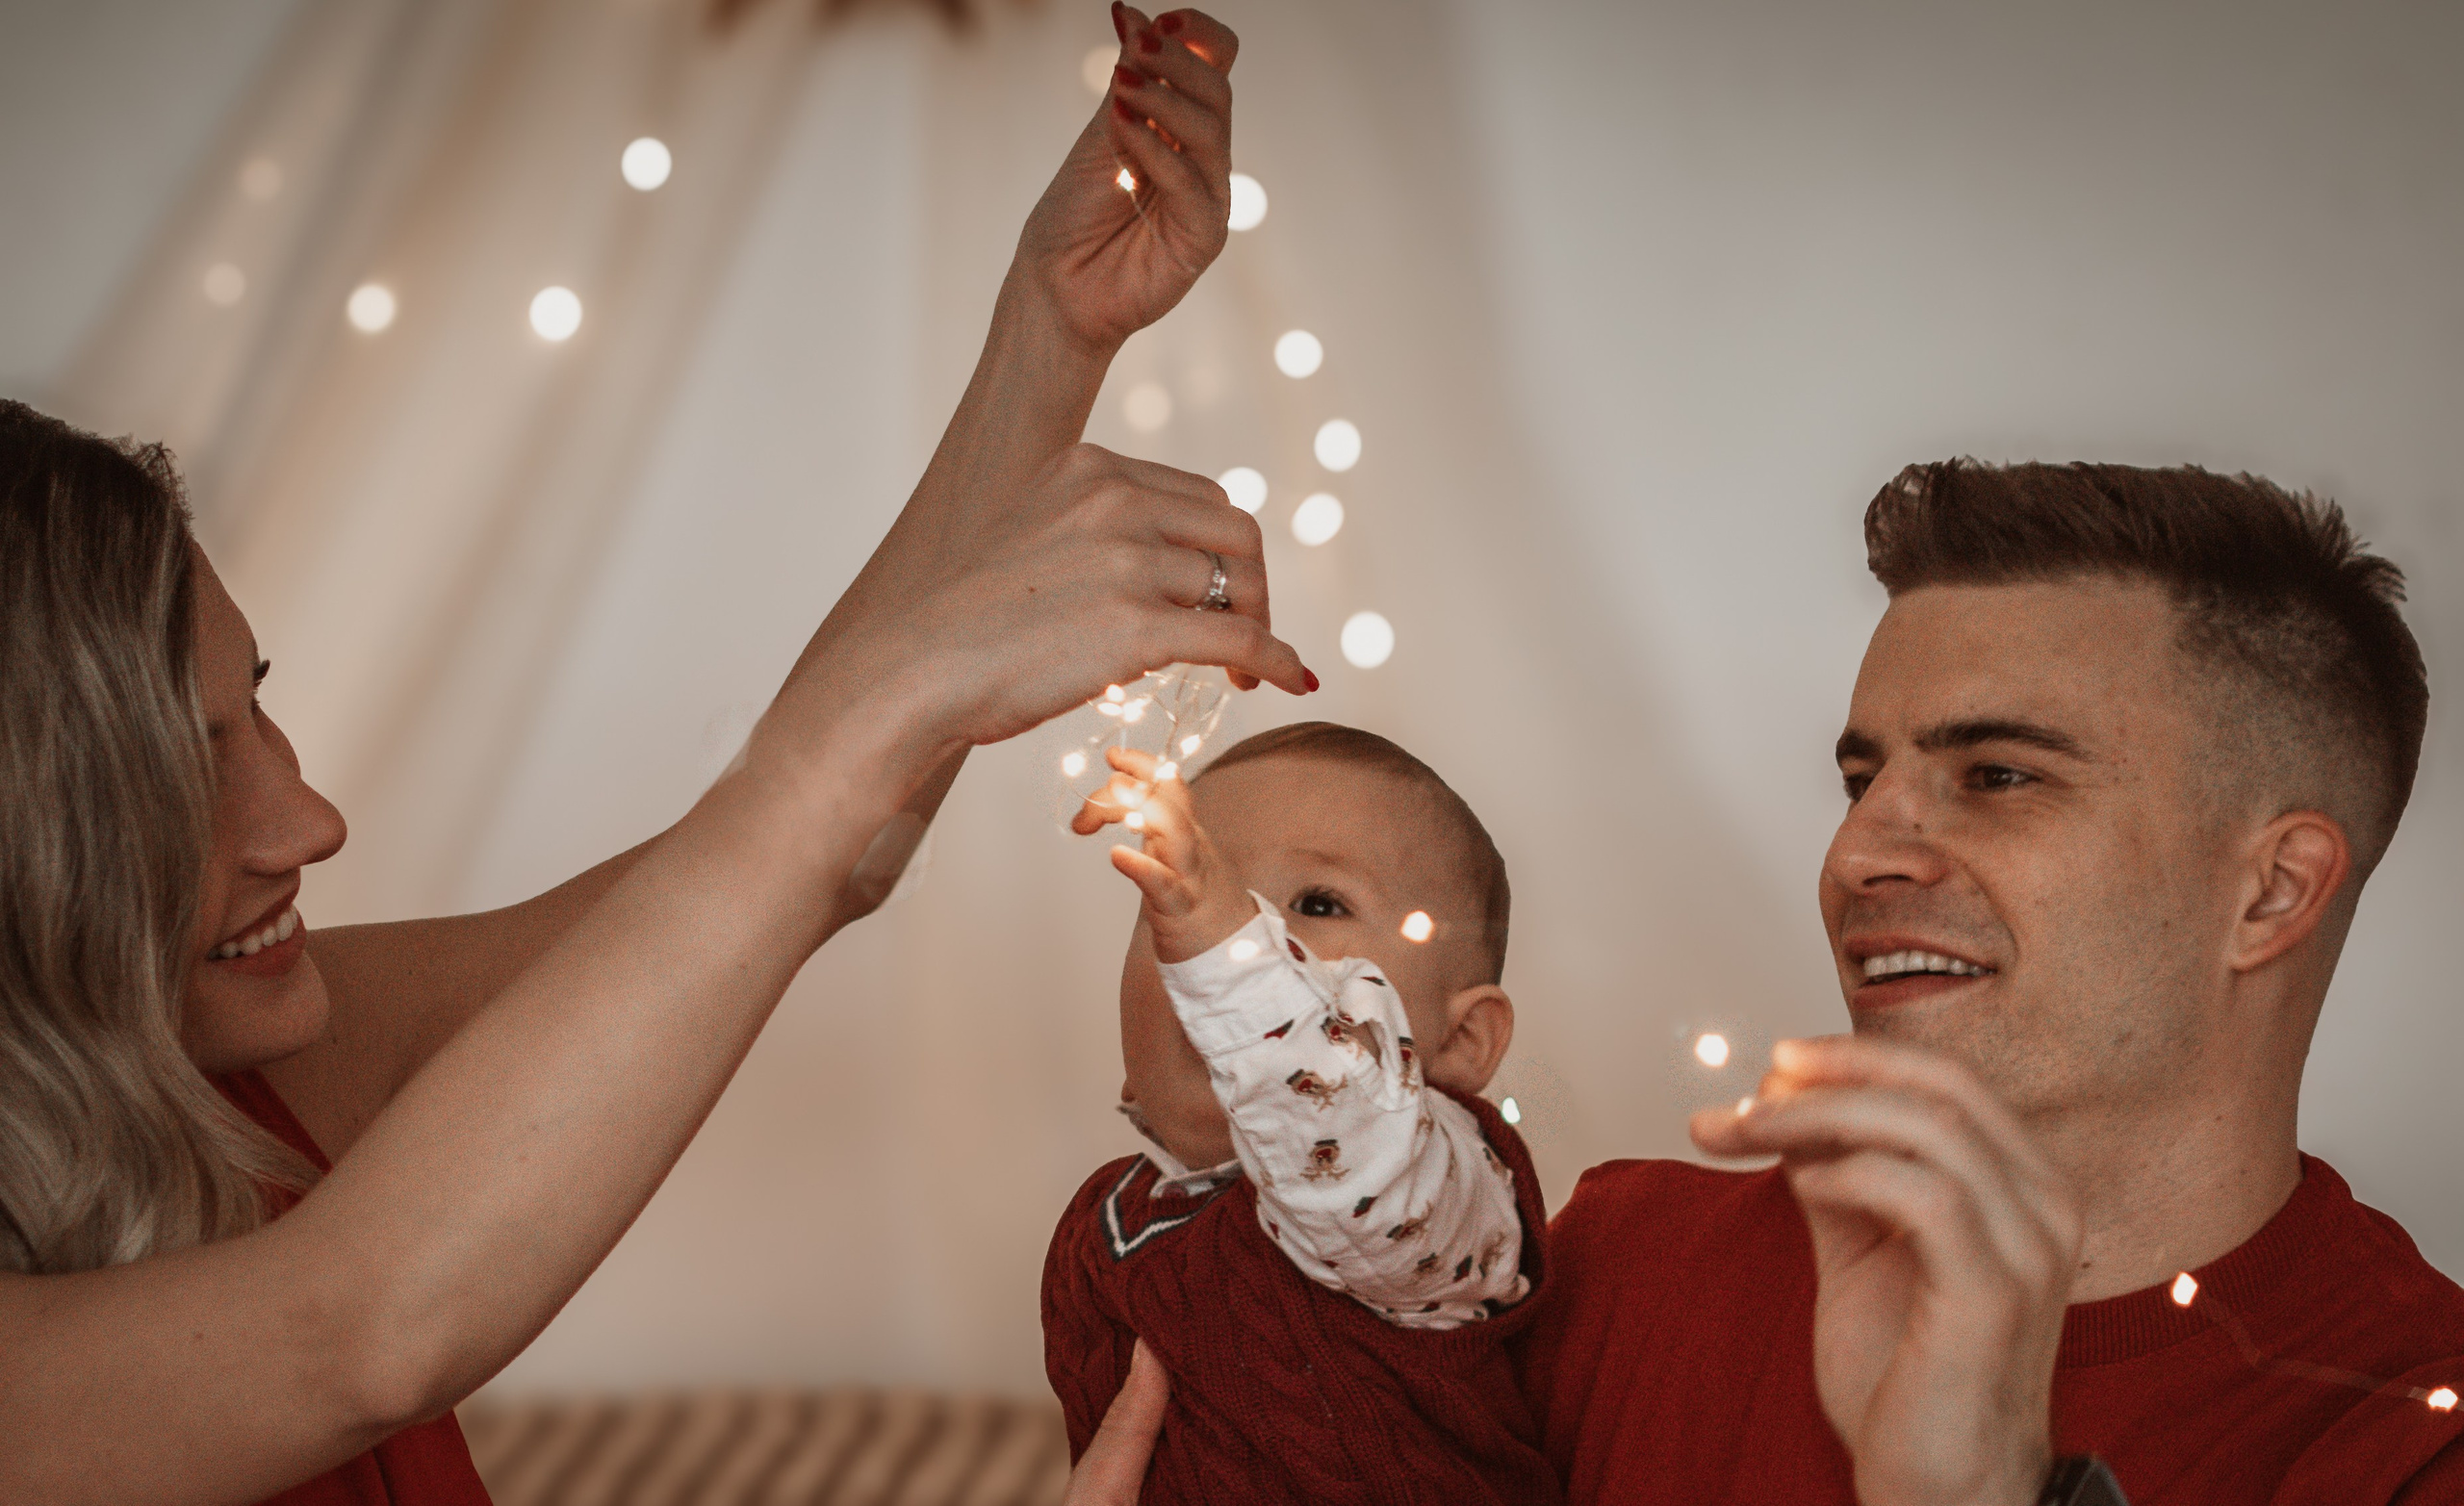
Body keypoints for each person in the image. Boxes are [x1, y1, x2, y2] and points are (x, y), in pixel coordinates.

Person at [0, 8, 1305, 1502]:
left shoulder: (247, 1058)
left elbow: (809, 860)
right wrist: (903, 688)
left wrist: (1051, 334)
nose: (309, 819)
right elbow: (359, 1334)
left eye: (258, 711)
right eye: (180, 765)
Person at [1520, 461, 2464, 1504]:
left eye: (1998, 776)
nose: (1853, 854)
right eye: (1859, 779)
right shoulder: (1624, 1267)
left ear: (2271, 892)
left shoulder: (2415, 1439)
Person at [1044, 724, 1556, 1503]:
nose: (1216, 930)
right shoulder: (1102, 1225)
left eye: (1316, 902)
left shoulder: (1439, 1186)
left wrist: (1224, 954)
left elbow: (1340, 1128)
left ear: (1459, 1041)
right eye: (1178, 899)